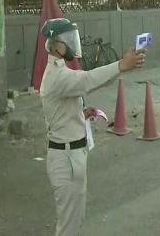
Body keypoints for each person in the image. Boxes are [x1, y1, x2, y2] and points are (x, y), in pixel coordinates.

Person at [39, 18, 146, 236]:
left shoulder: (61, 73)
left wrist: (80, 113)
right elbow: (88, 80)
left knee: (74, 220)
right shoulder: (58, 75)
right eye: (68, 40)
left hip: (72, 154)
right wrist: (120, 65)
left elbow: (81, 90)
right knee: (68, 226)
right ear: (57, 46)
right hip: (66, 159)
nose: (72, 44)